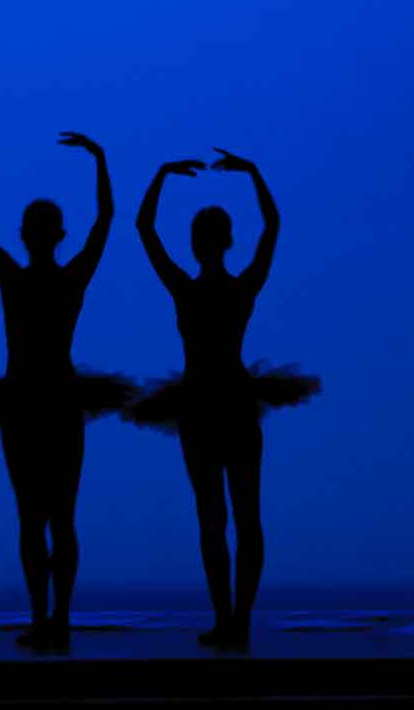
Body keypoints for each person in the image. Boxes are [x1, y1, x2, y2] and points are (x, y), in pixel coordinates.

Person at [0, 115, 134, 652]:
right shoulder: (65, 278)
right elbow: (104, 222)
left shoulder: (17, 275)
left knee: (34, 516)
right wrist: (99, 161)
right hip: (51, 401)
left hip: (29, 401)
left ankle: (47, 617)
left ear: (27, 235)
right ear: (55, 234)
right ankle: (57, 620)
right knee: (59, 516)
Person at [131, 150, 319, 651]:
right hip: (229, 407)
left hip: (206, 409)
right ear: (226, 241)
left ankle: (228, 619)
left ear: (197, 245)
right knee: (244, 516)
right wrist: (255, 174)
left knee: (214, 518)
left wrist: (162, 175)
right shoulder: (241, 288)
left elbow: (144, 229)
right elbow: (272, 227)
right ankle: (237, 621)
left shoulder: (187, 290)